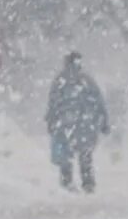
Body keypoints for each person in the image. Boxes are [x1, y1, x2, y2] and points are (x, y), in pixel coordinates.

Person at [45, 51, 110, 192]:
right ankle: (88, 184)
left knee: (65, 157)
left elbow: (53, 103)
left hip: (65, 125)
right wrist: (104, 122)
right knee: (85, 155)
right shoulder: (87, 80)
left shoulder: (60, 81)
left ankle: (67, 183)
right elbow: (99, 102)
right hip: (85, 125)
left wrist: (51, 121)